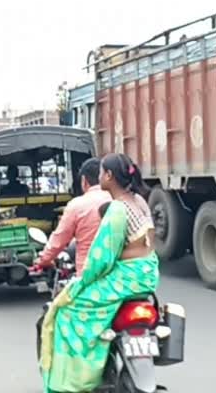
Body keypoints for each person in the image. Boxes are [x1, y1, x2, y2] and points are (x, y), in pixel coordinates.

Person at [39, 153, 159, 392]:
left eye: (103, 172)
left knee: (65, 310)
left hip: (126, 278)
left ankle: (77, 381)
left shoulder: (117, 209)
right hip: (147, 274)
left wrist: (82, 281)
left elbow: (102, 258)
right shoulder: (140, 201)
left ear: (109, 176)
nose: (100, 176)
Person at [34, 158, 111, 275]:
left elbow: (59, 239)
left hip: (88, 274)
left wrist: (44, 259)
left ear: (84, 181)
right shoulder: (119, 200)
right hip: (117, 274)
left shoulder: (76, 205)